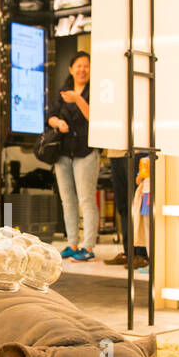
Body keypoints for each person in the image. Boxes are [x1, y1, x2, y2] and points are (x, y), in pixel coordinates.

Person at [46, 52, 99, 261]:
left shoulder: (92, 92)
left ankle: (88, 245)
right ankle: (72, 243)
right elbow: (49, 116)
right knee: (67, 200)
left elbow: (93, 117)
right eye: (78, 66)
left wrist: (78, 99)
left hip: (85, 151)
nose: (82, 70)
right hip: (63, 152)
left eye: (86, 66)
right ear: (71, 69)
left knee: (86, 199)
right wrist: (58, 123)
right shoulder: (62, 91)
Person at [104, 150, 149, 269]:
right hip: (115, 152)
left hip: (136, 150)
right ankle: (129, 252)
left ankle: (142, 254)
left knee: (137, 203)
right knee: (122, 205)